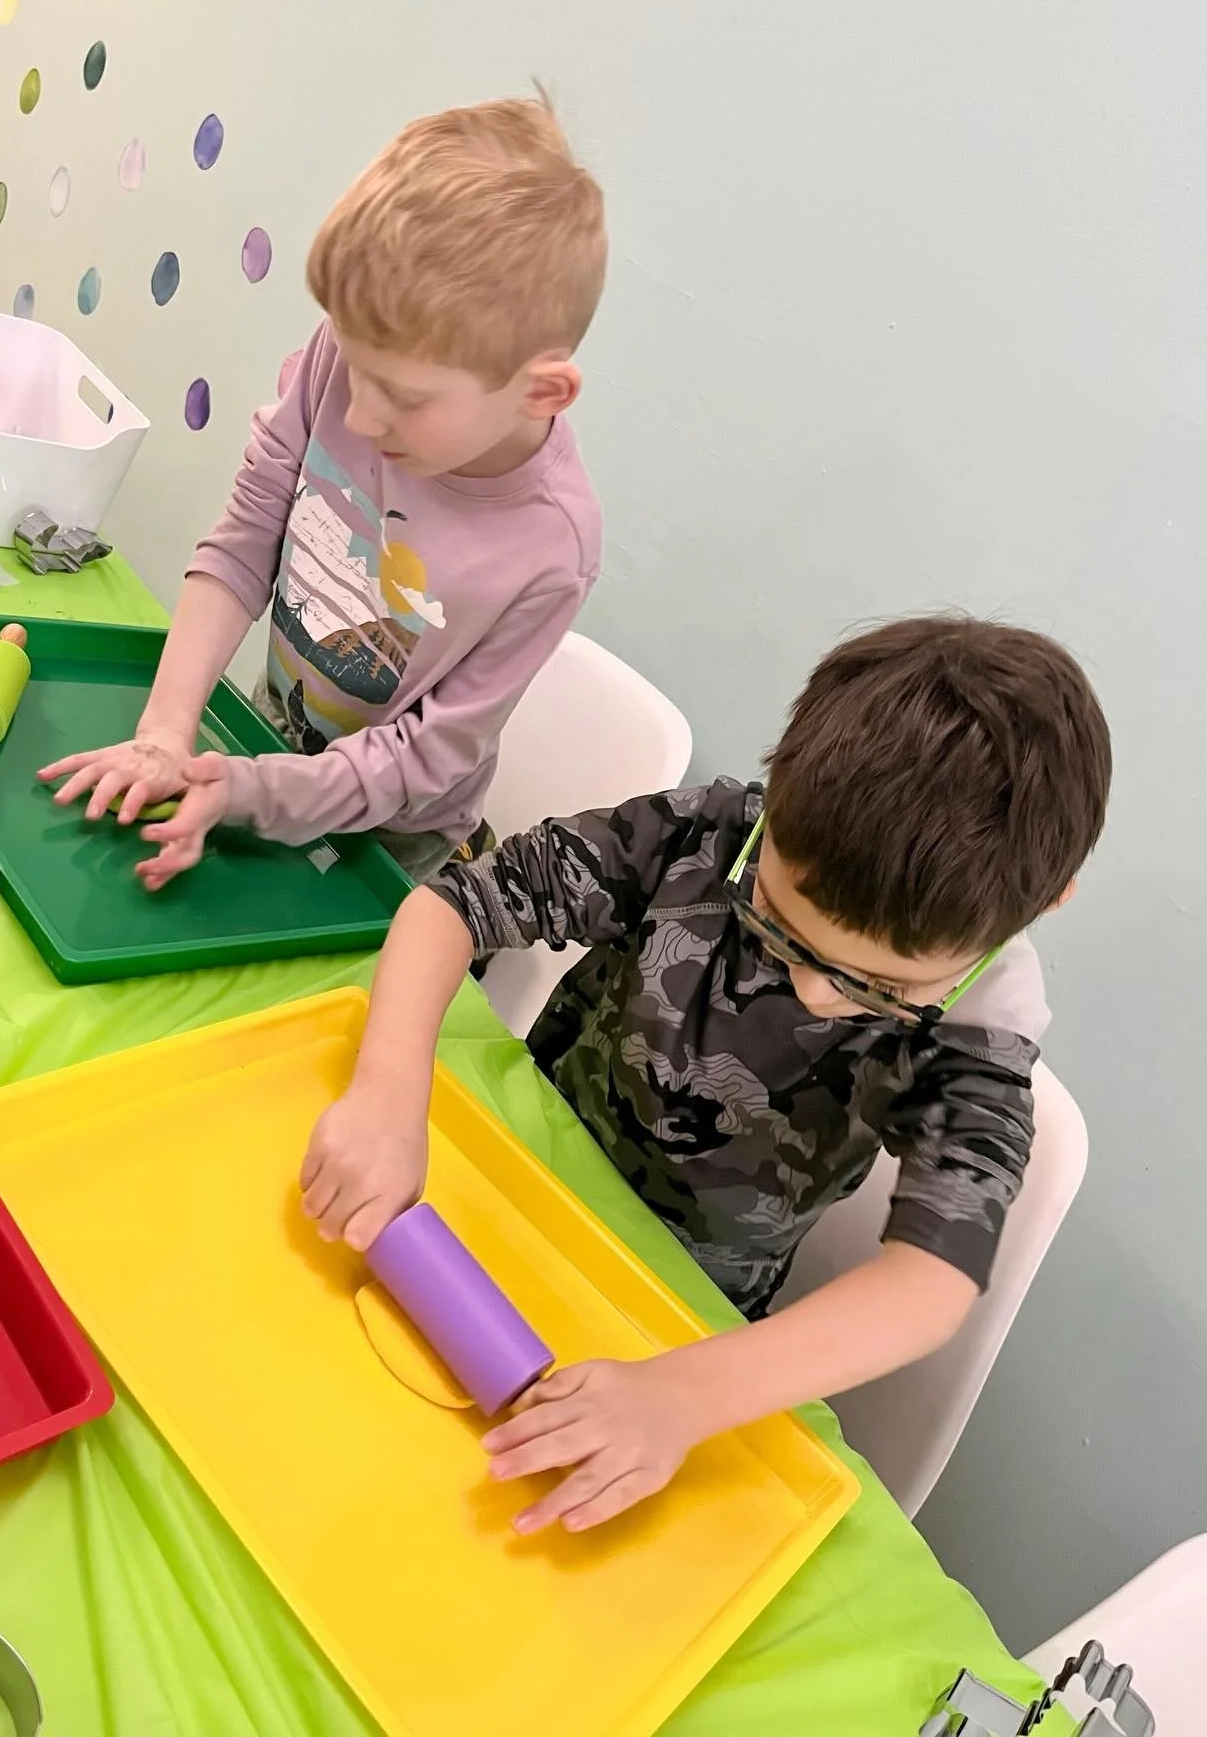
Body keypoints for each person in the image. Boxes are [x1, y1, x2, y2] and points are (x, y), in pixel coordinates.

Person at [297, 616, 1112, 1532]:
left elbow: (931, 1284)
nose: (815, 991)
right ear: (780, 790)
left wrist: (683, 1395)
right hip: (508, 1181)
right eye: (779, 926)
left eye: (882, 987)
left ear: (1040, 906)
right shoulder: (707, 835)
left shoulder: (972, 1040)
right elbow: (454, 907)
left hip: (671, 1321)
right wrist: (387, 1094)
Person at [40, 93, 605, 883]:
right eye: (350, 361)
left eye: (403, 398)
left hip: (393, 833)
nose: (361, 415)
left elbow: (426, 757)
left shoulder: (552, 549)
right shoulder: (356, 353)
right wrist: (166, 733)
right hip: (270, 731)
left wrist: (250, 792)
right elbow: (244, 545)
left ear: (541, 392)